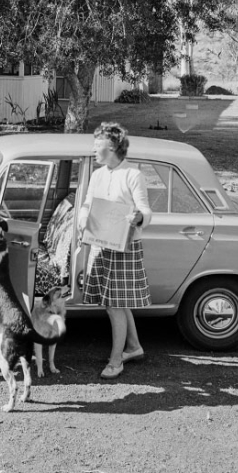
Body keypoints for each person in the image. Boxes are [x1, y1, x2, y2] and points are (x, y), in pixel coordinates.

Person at [78, 121, 152, 379]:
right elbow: (87, 204)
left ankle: (116, 360)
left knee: (115, 305)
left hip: (125, 247)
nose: (93, 150)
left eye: (97, 146)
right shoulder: (98, 175)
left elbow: (145, 210)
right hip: (101, 243)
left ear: (111, 148)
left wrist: (138, 217)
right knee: (114, 304)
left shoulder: (133, 175)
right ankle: (133, 347)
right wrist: (82, 221)